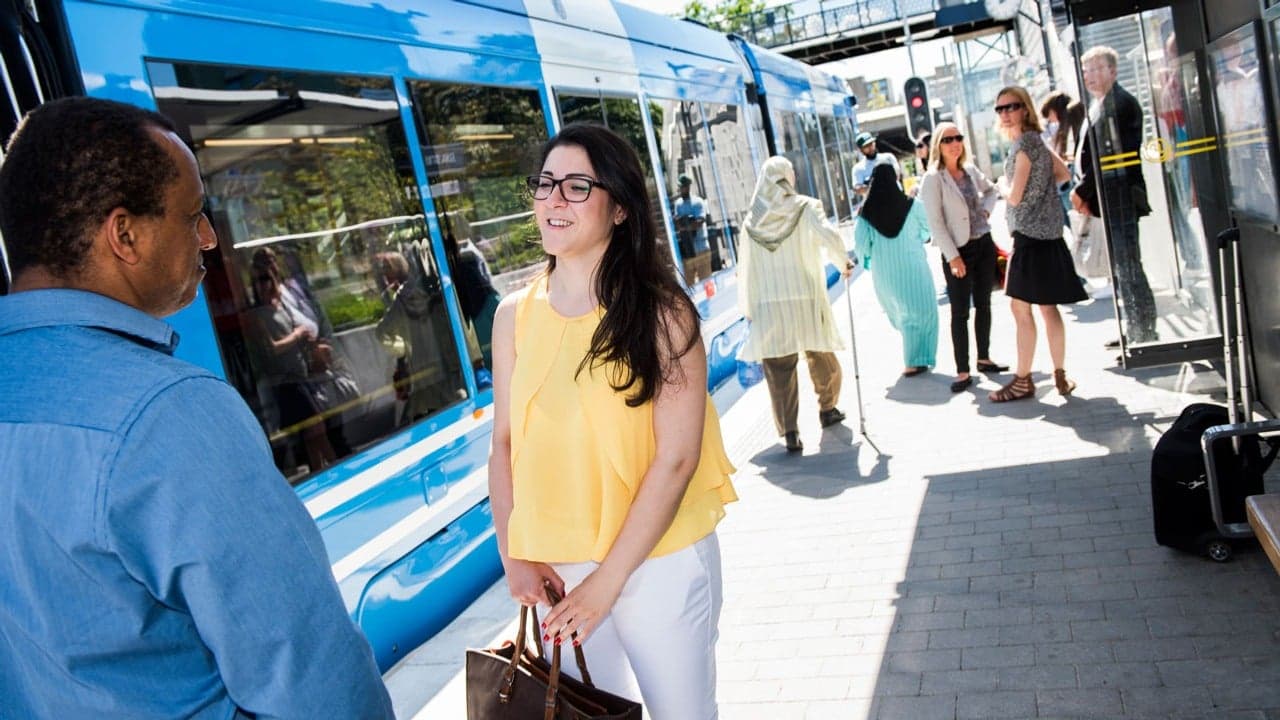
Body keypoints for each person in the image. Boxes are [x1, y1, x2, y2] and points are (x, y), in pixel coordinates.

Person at [0, 97, 392, 718]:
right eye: (194, 215)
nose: (210, 237)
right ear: (123, 234)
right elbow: (313, 683)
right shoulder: (169, 413)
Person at [488, 123, 737, 719]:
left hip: (659, 560)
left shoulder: (662, 313)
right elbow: (503, 446)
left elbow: (676, 458)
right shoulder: (512, 317)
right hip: (559, 568)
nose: (554, 199)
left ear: (620, 208)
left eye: (577, 186)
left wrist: (608, 581)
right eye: (545, 184)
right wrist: (512, 553)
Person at [738, 156, 853, 454]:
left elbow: (746, 270)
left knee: (778, 369)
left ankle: (790, 432)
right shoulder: (805, 206)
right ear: (788, 176)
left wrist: (749, 308)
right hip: (805, 298)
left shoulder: (751, 222)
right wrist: (843, 262)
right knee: (822, 356)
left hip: (769, 305)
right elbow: (829, 236)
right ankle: (828, 409)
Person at [991, 86, 1087, 402]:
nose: (1005, 113)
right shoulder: (1037, 143)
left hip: (1030, 238)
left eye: (1011, 107)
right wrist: (1041, 190)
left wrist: (1003, 184)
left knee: (1020, 309)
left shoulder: (1024, 146)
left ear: (1025, 109)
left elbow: (1015, 195)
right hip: (1049, 235)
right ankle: (1059, 376)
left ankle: (1022, 380)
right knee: (1048, 307)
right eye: (1000, 108)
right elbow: (1062, 175)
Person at [1072, 45, 1158, 345]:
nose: (1090, 76)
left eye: (1097, 69)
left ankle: (1143, 332)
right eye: (1086, 70)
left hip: (1120, 194)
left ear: (1113, 70)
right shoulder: (1100, 104)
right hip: (1109, 198)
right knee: (1121, 266)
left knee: (1128, 264)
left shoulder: (1120, 104)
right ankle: (1135, 328)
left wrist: (1083, 190)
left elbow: (1111, 158)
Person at [918, 122, 1008, 393]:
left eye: (958, 138)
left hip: (983, 245)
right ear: (938, 146)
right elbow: (935, 223)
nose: (954, 143)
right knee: (960, 312)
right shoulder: (933, 178)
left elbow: (992, 191)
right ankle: (962, 370)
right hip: (958, 250)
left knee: (984, 303)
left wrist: (987, 211)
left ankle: (984, 357)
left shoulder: (969, 169)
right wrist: (953, 257)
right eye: (947, 139)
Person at [854, 163, 939, 377]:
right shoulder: (912, 205)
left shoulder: (865, 214)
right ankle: (915, 360)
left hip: (885, 273)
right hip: (914, 266)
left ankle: (914, 358)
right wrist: (918, 238)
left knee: (902, 314)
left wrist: (869, 261)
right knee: (925, 310)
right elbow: (930, 227)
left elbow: (861, 245)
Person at [672, 173, 713, 282]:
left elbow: (700, 221)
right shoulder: (678, 204)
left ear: (688, 186)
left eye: (683, 187)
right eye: (680, 187)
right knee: (689, 286)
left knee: (706, 283)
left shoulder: (697, 202)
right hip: (688, 252)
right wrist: (679, 223)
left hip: (701, 249)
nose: (680, 189)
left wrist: (686, 227)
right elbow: (677, 221)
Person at [852, 131, 903, 197]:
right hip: (877, 203)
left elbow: (897, 174)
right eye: (866, 146)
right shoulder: (858, 168)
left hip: (896, 197)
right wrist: (871, 186)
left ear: (874, 143)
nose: (870, 147)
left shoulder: (888, 157)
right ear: (861, 150)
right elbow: (857, 188)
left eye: (871, 144)